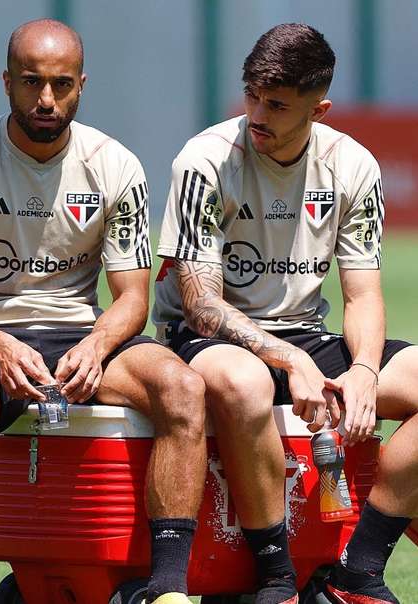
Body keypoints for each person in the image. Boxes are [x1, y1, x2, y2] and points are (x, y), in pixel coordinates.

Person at [0, 18, 207, 604]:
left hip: (81, 330)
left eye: (61, 84)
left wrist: (97, 346)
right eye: (31, 83)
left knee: (183, 389)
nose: (46, 99)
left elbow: (133, 297)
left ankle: (168, 589)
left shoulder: (115, 165)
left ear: (81, 85)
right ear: (6, 84)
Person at [153, 23, 417, 604]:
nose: (257, 114)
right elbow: (199, 306)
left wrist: (366, 373)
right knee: (245, 384)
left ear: (318, 109)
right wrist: (288, 356)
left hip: (306, 334)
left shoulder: (354, 166)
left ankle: (359, 571)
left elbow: (363, 296)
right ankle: (276, 580)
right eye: (252, 96)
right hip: (210, 341)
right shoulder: (203, 161)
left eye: (276, 104)